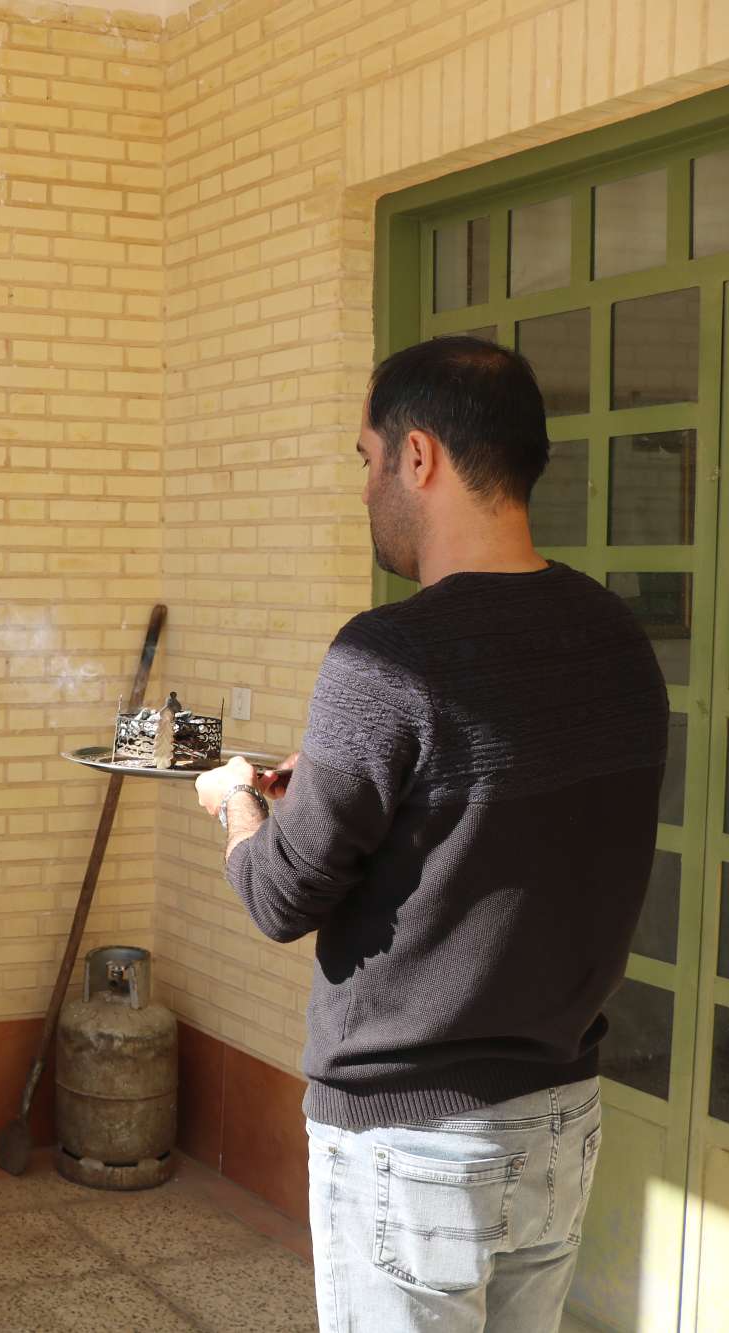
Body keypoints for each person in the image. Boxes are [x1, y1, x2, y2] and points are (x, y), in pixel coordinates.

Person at [193, 336, 667, 1332]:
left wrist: (236, 802)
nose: (364, 486)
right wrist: (342, 783)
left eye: (365, 458)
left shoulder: (389, 653)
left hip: (409, 1145)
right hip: (558, 1120)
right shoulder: (616, 637)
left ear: (417, 456)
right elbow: (493, 811)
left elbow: (279, 895)